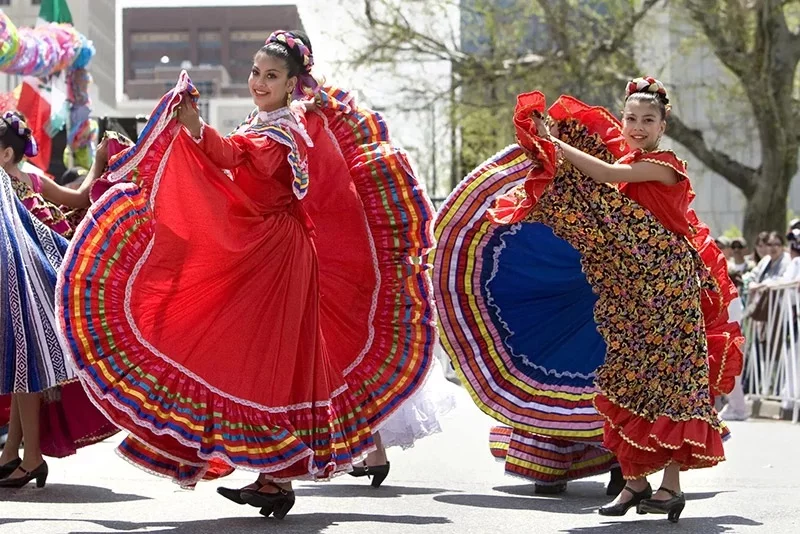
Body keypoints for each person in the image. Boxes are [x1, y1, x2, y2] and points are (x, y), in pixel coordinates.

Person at [57, 30, 435, 518]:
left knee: (265, 363)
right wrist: (192, 132)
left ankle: (276, 477)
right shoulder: (271, 120)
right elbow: (236, 159)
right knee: (256, 359)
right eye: (256, 72)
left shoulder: (282, 130)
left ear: (292, 84)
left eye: (271, 76)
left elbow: (235, 156)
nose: (259, 81)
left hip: (278, 256)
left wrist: (195, 129)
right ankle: (273, 478)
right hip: (265, 248)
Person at [434, 77, 743, 524]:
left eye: (647, 120)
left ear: (663, 125)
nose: (637, 126)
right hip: (627, 286)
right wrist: (552, 142)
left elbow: (609, 175)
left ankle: (670, 488)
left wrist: (552, 144)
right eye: (631, 118)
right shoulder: (630, 157)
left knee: (674, 381)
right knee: (624, 378)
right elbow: (598, 185)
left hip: (668, 286)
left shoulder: (666, 164)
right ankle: (636, 483)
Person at [0, 112, 112, 488]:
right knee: (21, 369)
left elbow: (81, 199)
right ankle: (12, 453)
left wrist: (99, 162)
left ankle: (30, 458)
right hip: (42, 277)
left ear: (4, 155)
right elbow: (80, 196)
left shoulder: (12, 183)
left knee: (25, 367)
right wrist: (96, 162)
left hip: (30, 281)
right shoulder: (31, 178)